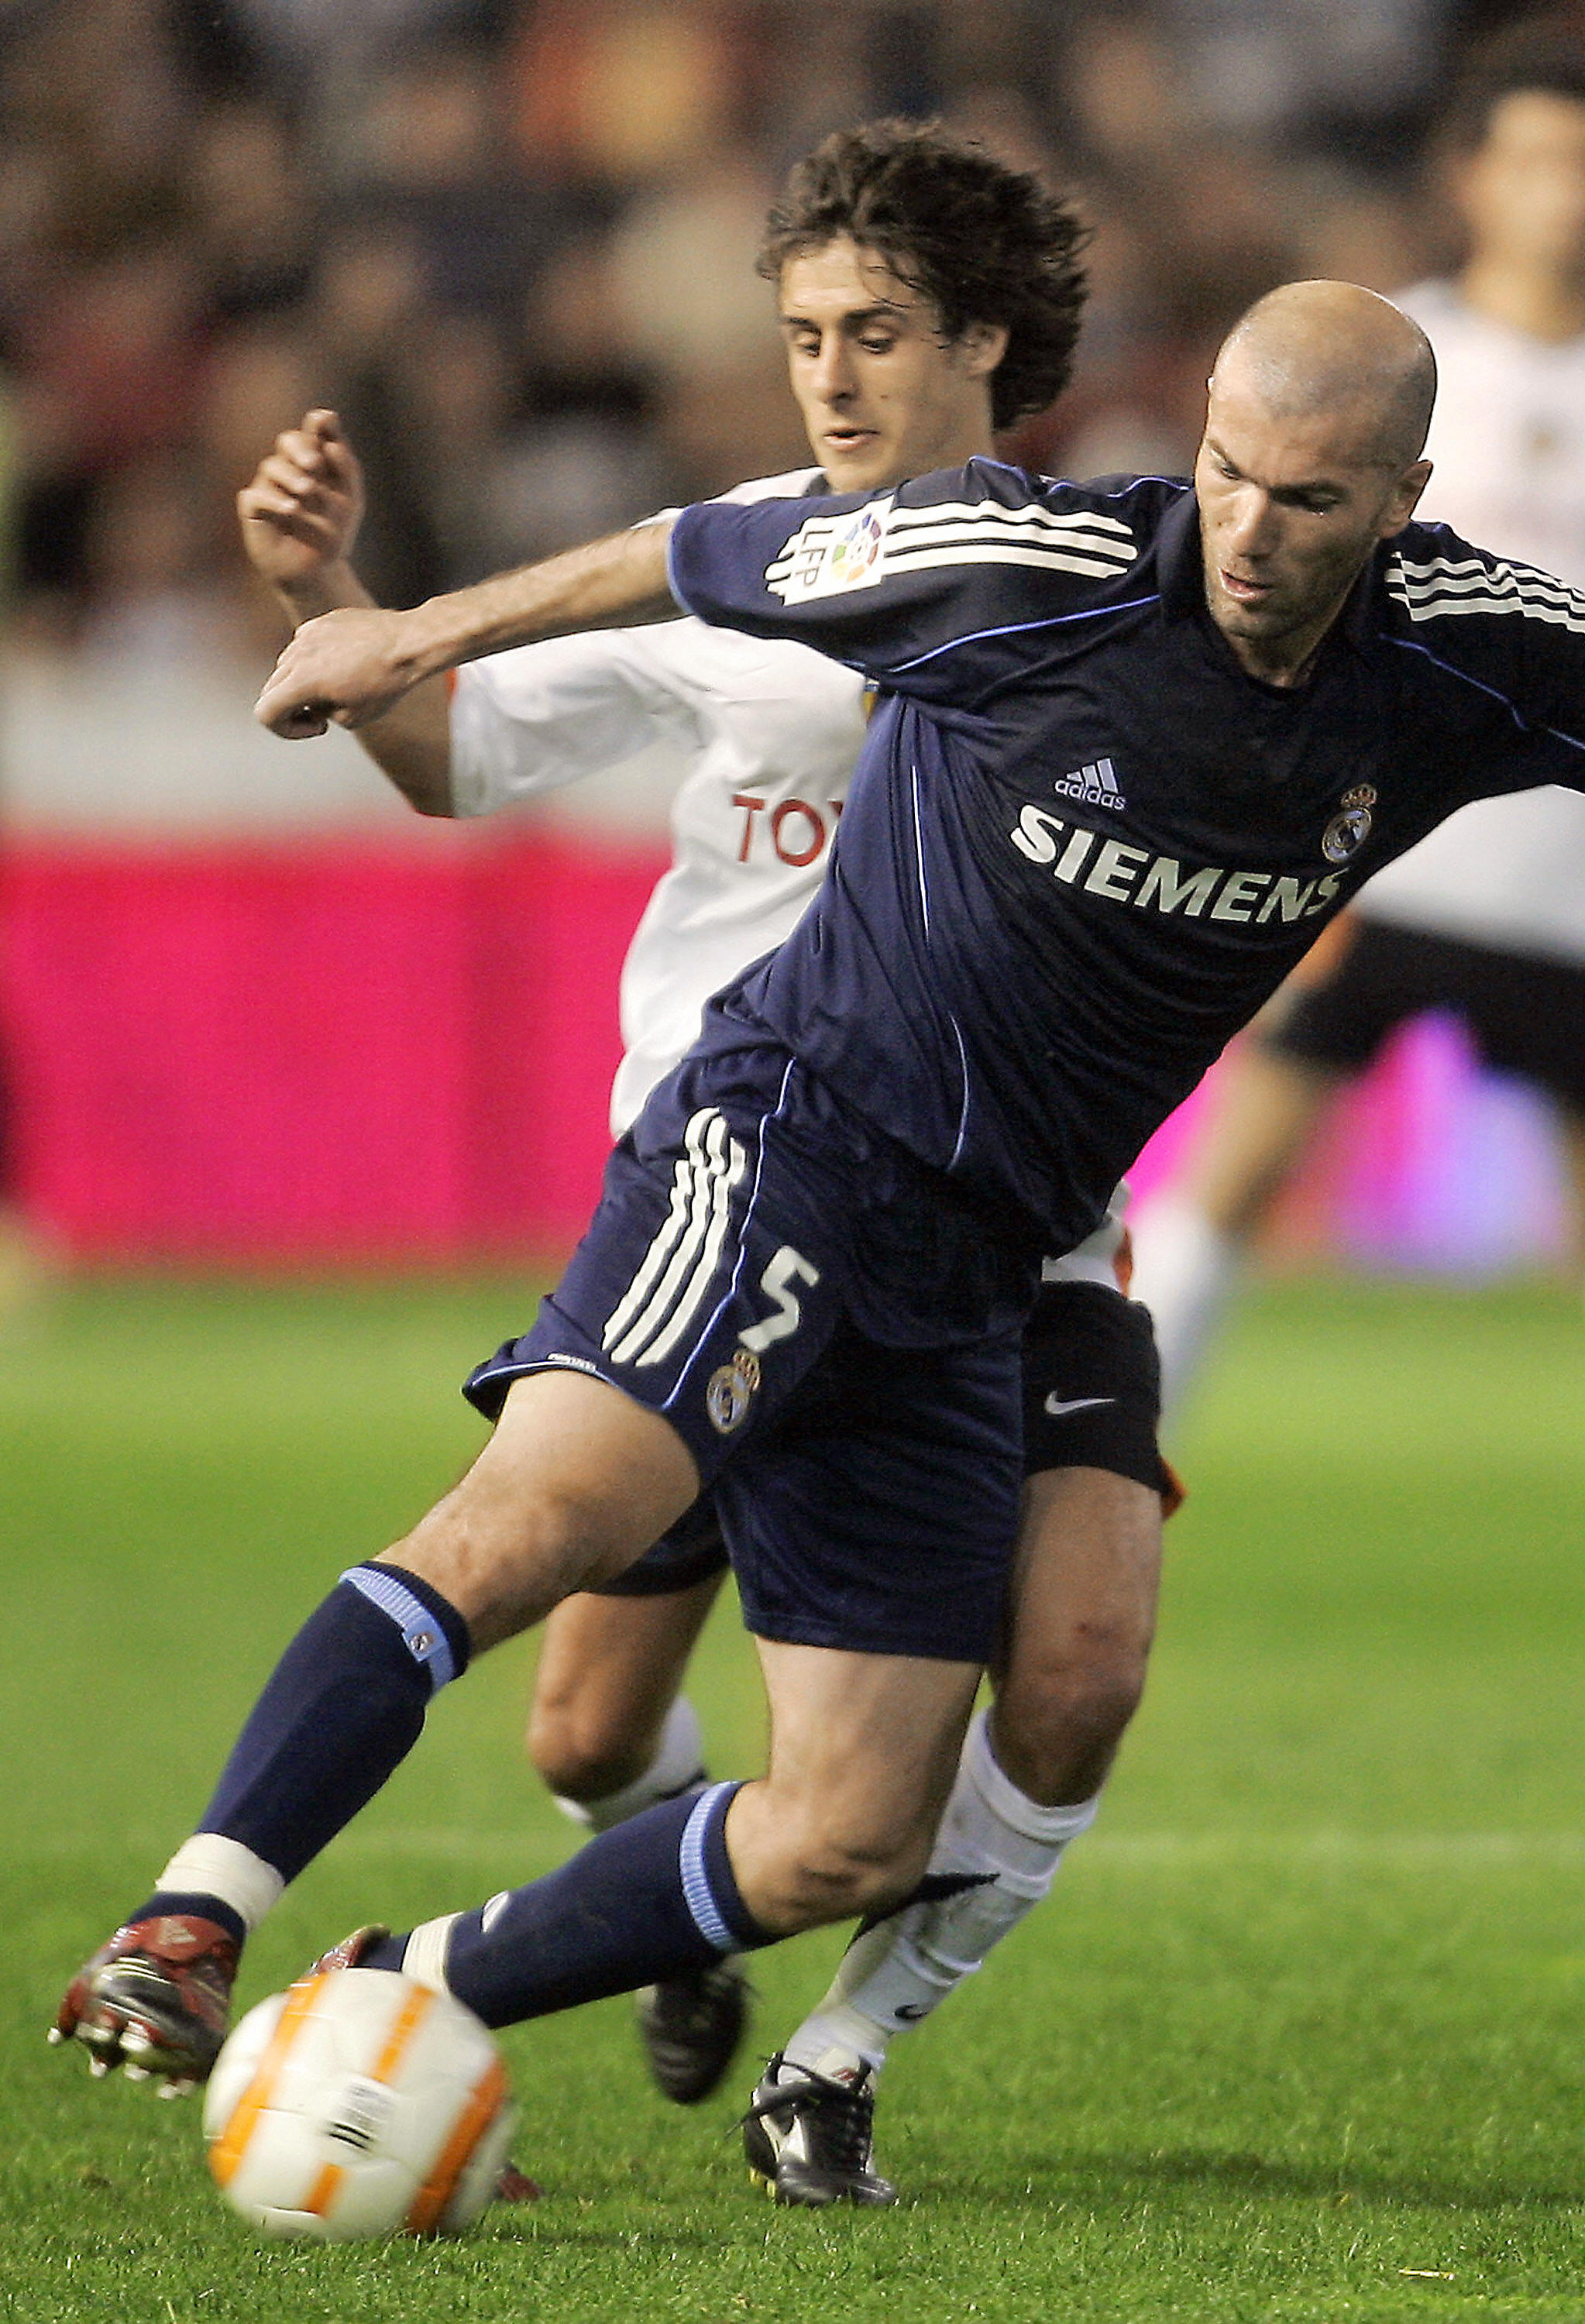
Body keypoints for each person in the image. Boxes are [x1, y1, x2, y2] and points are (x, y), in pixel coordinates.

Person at [58, 281, 1585, 2188]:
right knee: (537, 1536)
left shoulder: (1467, 650)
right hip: (799, 1142)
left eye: (1307, 498)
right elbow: (699, 552)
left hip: (1001, 1266)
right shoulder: (1018, 565)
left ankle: (397, 1983)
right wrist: (402, 631)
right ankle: (193, 1913)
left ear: (1400, 502)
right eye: (1229, 471)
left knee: (849, 1832)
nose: (1246, 527)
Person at [226, 122, 1174, 2203]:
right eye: (804, 334)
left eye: (878, 334)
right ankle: (668, 1906)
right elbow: (454, 758)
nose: (827, 376)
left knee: (1081, 1673)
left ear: (989, 345)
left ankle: (837, 2061)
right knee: (581, 1736)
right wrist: (330, 597)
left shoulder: (1115, 586)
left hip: (1024, 1238)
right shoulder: (727, 558)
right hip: (728, 1199)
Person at [1130, 30, 1585, 1576]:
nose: (1571, 194)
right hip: (1371, 857)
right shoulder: (1390, 361)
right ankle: (1117, 1443)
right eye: (1541, 158)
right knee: (1246, 1156)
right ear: (1476, 178)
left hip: (1574, 880)